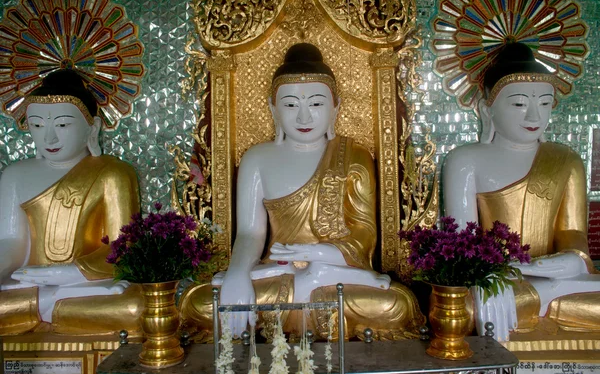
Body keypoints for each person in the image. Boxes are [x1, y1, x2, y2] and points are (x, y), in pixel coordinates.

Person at [180, 43, 425, 340]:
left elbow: (364, 234)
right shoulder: (256, 159)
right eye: (291, 105)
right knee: (200, 303)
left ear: (336, 107)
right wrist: (237, 275)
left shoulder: (355, 156)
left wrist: (316, 252)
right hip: (278, 272)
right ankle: (307, 284)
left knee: (397, 305)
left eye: (317, 104)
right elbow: (250, 233)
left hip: (334, 269)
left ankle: (313, 280)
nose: (304, 118)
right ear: (273, 108)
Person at [443, 43, 600, 342]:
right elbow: (460, 247)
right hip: (496, 283)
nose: (533, 115)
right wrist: (489, 278)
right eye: (518, 104)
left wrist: (550, 266)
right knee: (468, 309)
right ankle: (546, 297)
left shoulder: (566, 161)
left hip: (554, 278)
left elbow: (576, 244)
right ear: (486, 109)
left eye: (545, 103)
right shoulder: (465, 160)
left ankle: (548, 295)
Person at [0, 69, 143, 335]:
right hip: (29, 285)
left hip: (85, 285)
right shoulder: (15, 175)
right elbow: (10, 242)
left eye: (63, 125)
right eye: (38, 126)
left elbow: (124, 247)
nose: (49, 138)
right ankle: (47, 305)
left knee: (136, 308)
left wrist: (72, 273)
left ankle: (37, 308)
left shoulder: (112, 173)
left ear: (93, 127)